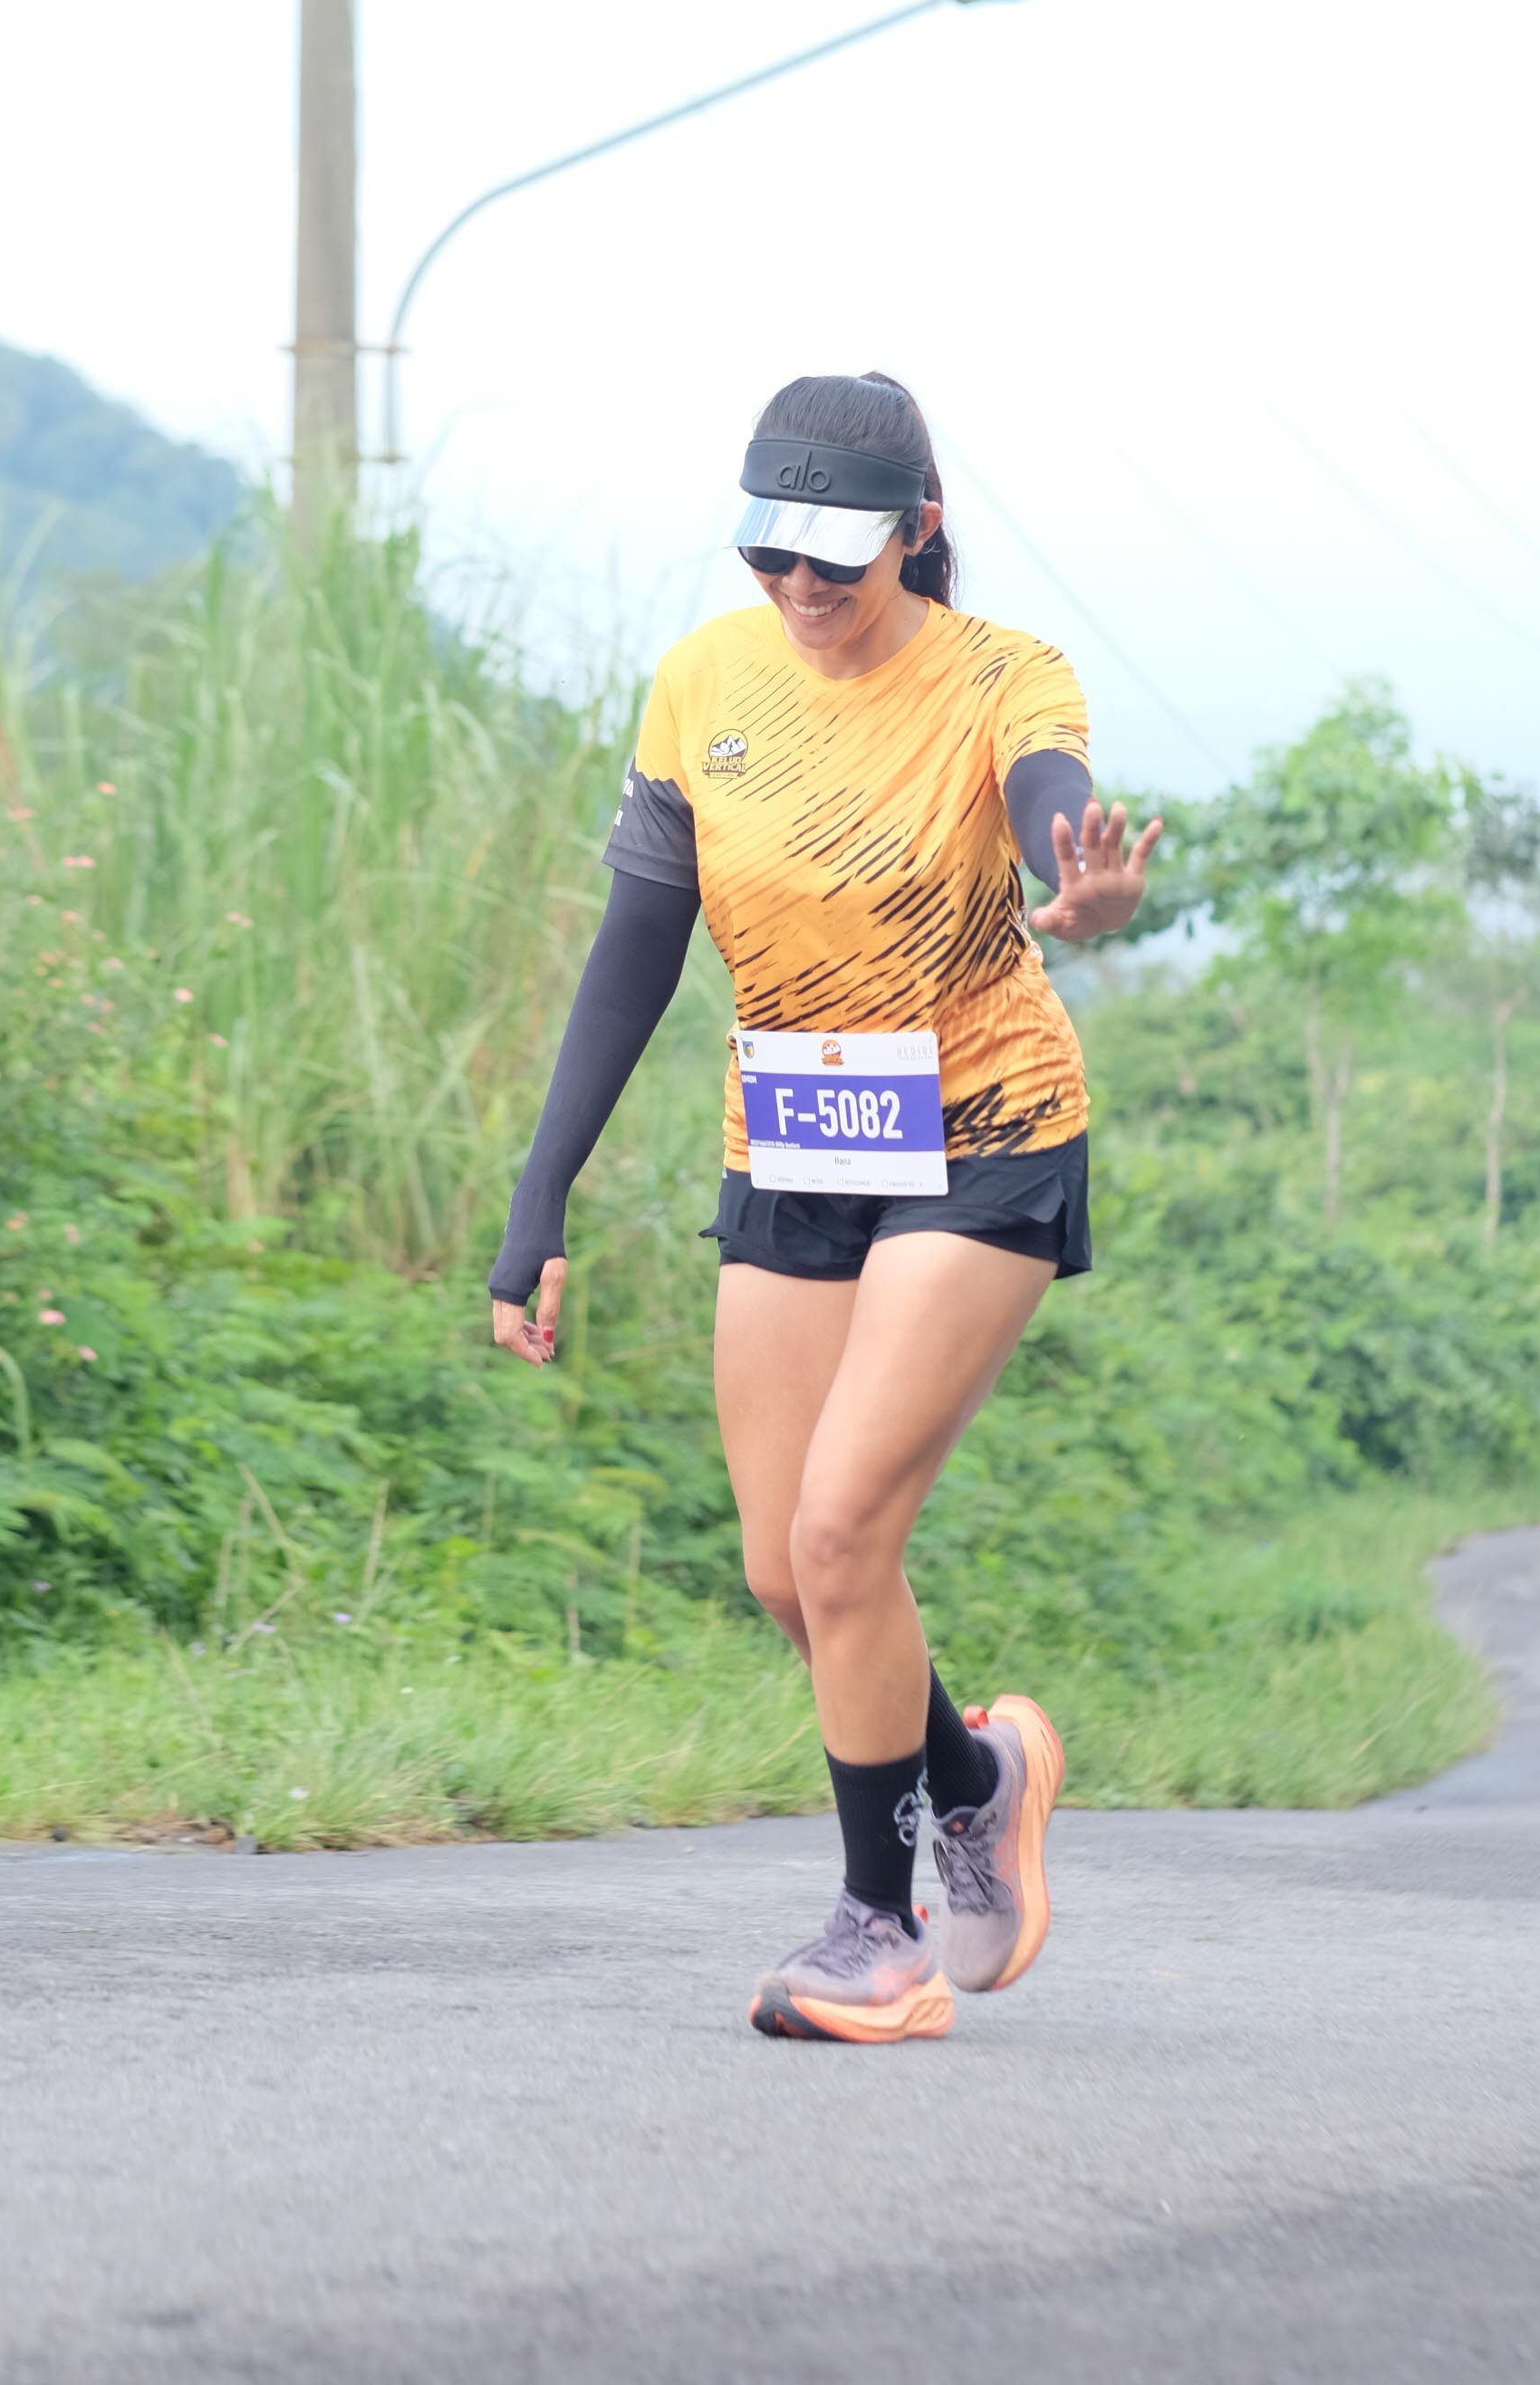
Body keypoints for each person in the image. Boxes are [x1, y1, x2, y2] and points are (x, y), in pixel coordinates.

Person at [486, 372, 1161, 2041]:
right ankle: (976, 1780)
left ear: (915, 532)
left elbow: (1047, 802)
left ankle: (881, 1931)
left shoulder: (1001, 675)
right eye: (768, 553)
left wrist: (1080, 888)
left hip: (981, 1133)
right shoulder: (701, 682)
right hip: (796, 1142)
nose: (798, 587)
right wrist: (539, 1192)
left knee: (847, 1532)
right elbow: (636, 948)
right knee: (787, 1572)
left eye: (834, 560)